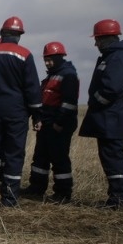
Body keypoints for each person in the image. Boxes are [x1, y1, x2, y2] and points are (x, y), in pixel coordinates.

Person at [0, 16, 42, 207]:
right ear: (19, 35)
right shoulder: (25, 55)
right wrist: (37, 115)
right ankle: (9, 200)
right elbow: (32, 88)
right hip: (17, 114)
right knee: (13, 154)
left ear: (2, 33)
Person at [78, 19, 123, 209]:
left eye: (97, 39)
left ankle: (119, 199)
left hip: (111, 117)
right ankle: (118, 197)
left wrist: (95, 101)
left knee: (113, 158)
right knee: (111, 157)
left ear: (107, 38)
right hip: (111, 117)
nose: (95, 43)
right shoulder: (115, 56)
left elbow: (111, 89)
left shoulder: (118, 57)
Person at [21, 42, 80, 203]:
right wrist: (38, 119)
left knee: (59, 158)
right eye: (46, 59)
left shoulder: (68, 75)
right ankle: (36, 188)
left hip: (59, 124)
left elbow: (69, 103)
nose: (47, 62)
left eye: (50, 59)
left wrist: (59, 123)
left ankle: (63, 193)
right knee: (40, 157)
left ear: (60, 57)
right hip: (47, 122)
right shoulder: (51, 76)